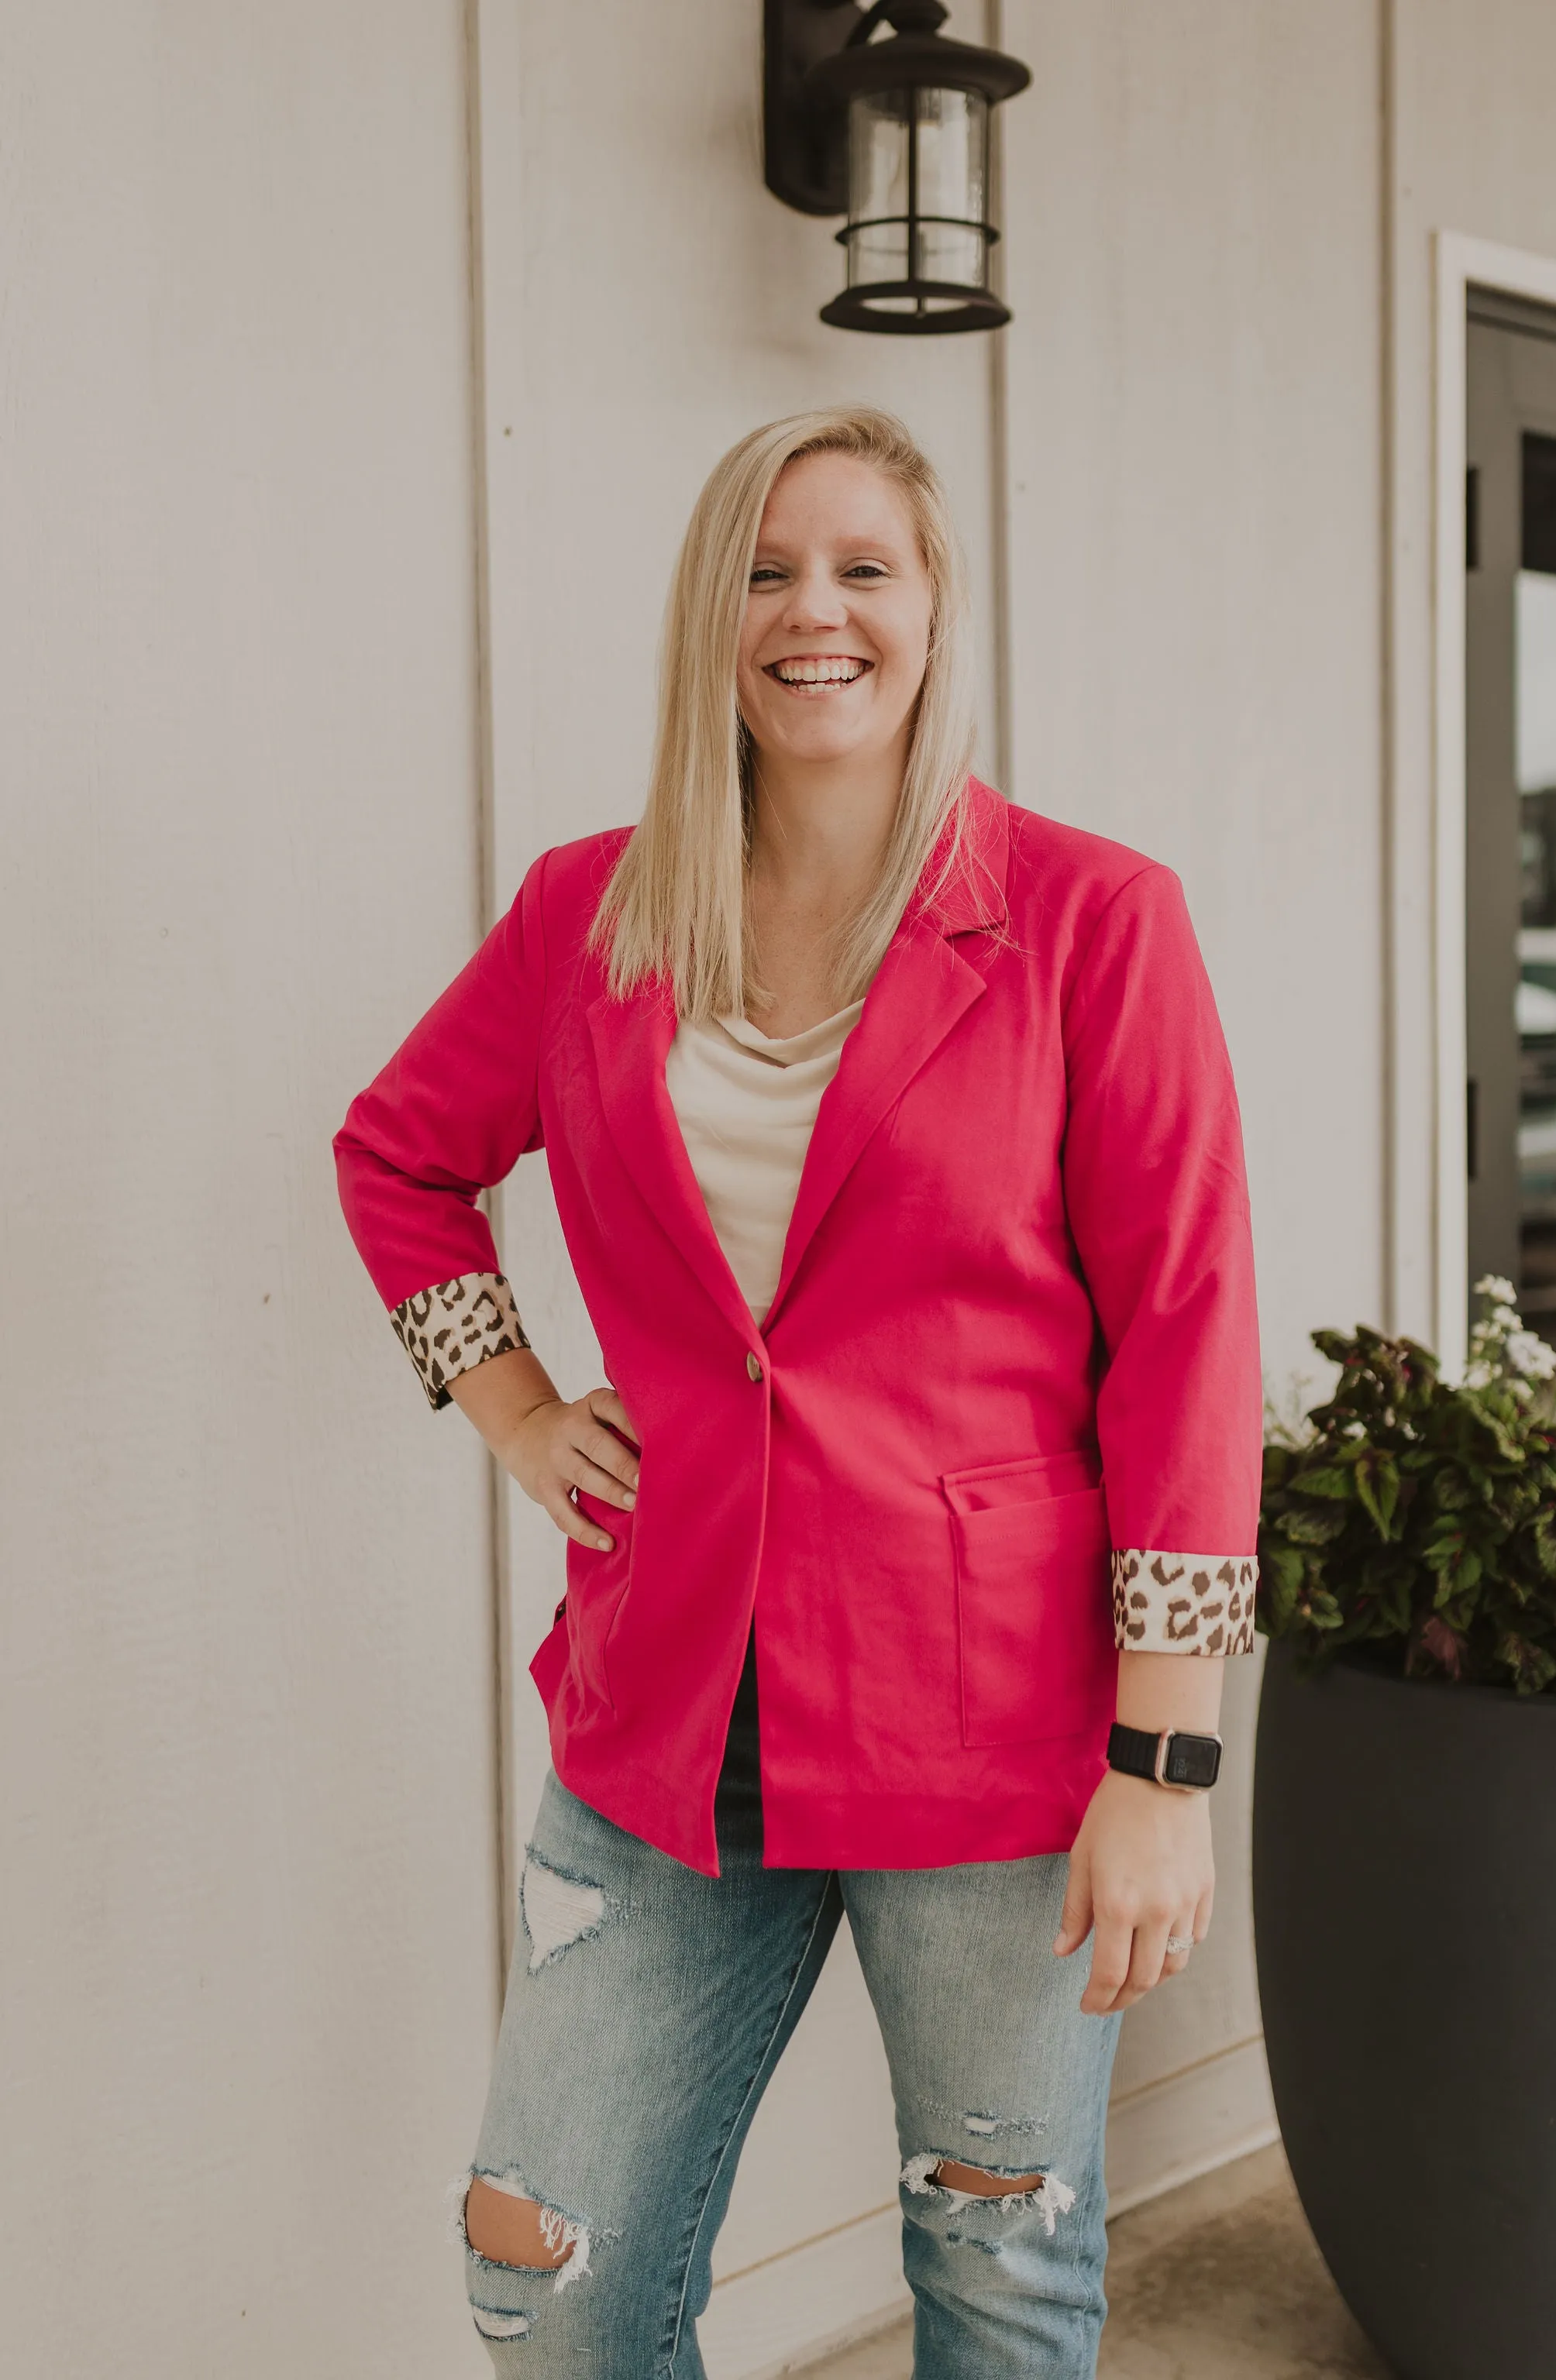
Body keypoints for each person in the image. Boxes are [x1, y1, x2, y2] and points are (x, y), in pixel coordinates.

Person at [333, 405, 1262, 2376]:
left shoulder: (1094, 923)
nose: (811, 611)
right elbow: (399, 1157)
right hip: (666, 1717)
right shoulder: (591, 913)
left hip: (998, 1746)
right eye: (765, 570)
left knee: (998, 2293)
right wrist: (506, 1408)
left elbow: (1187, 1333)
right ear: (709, 619)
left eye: (863, 567)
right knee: (541, 2270)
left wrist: (1164, 1771)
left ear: (933, 612)